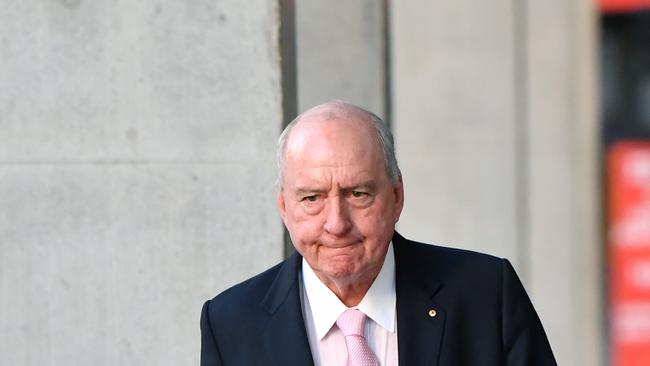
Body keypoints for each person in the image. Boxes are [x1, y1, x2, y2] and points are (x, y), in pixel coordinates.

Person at [200, 101, 557, 366]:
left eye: (358, 194)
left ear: (396, 197)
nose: (336, 224)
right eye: (312, 198)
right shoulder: (231, 325)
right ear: (284, 208)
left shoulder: (486, 296)